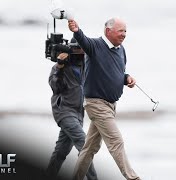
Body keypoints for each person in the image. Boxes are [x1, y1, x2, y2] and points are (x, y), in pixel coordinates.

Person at [68, 18, 141, 180]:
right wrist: (76, 30)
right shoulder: (95, 46)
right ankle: (133, 178)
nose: (124, 34)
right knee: (116, 142)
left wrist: (126, 78)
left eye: (125, 31)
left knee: (89, 148)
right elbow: (83, 40)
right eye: (120, 31)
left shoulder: (121, 50)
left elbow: (115, 72)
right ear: (108, 31)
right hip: (96, 104)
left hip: (110, 106)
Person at [46, 40, 98, 180]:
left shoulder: (85, 65)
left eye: (82, 49)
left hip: (78, 113)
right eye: (76, 49)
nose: (79, 52)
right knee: (84, 145)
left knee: (61, 152)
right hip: (64, 112)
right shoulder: (60, 67)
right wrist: (59, 65)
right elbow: (55, 86)